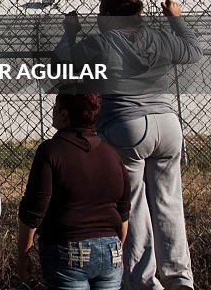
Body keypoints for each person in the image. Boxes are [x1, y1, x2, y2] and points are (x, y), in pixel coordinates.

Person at [54, 0, 204, 290]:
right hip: (168, 123)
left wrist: (70, 34)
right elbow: (194, 51)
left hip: (126, 125)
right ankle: (179, 279)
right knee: (168, 202)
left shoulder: (101, 43)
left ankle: (144, 281)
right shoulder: (159, 38)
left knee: (132, 205)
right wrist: (175, 19)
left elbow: (63, 65)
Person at [17, 92, 130, 290]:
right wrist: (117, 245)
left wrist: (23, 254)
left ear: (64, 114)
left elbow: (34, 210)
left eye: (55, 107)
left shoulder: (51, 151)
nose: (52, 112)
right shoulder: (111, 153)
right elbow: (123, 210)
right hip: (111, 248)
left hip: (68, 248)